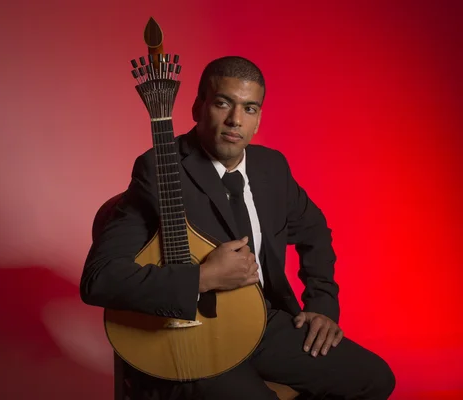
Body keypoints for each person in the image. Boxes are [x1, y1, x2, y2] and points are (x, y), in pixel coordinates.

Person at [80, 56, 395, 399]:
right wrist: (204, 278)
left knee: (374, 379)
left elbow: (315, 231)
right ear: (198, 108)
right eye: (222, 103)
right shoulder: (159, 169)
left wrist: (321, 304)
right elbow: (101, 279)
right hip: (193, 334)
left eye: (249, 109)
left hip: (263, 324)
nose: (235, 120)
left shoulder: (271, 168)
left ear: (258, 120)